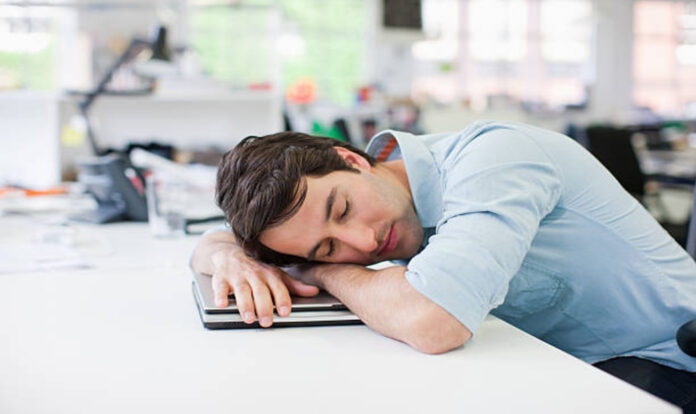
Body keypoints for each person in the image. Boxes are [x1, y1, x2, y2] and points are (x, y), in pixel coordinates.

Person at [190, 121, 696, 410]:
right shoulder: (384, 198)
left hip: (668, 366)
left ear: (352, 160)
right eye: (326, 248)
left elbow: (434, 323)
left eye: (341, 210)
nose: (363, 241)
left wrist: (321, 271)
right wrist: (230, 257)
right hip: (567, 366)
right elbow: (205, 244)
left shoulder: (494, 158)